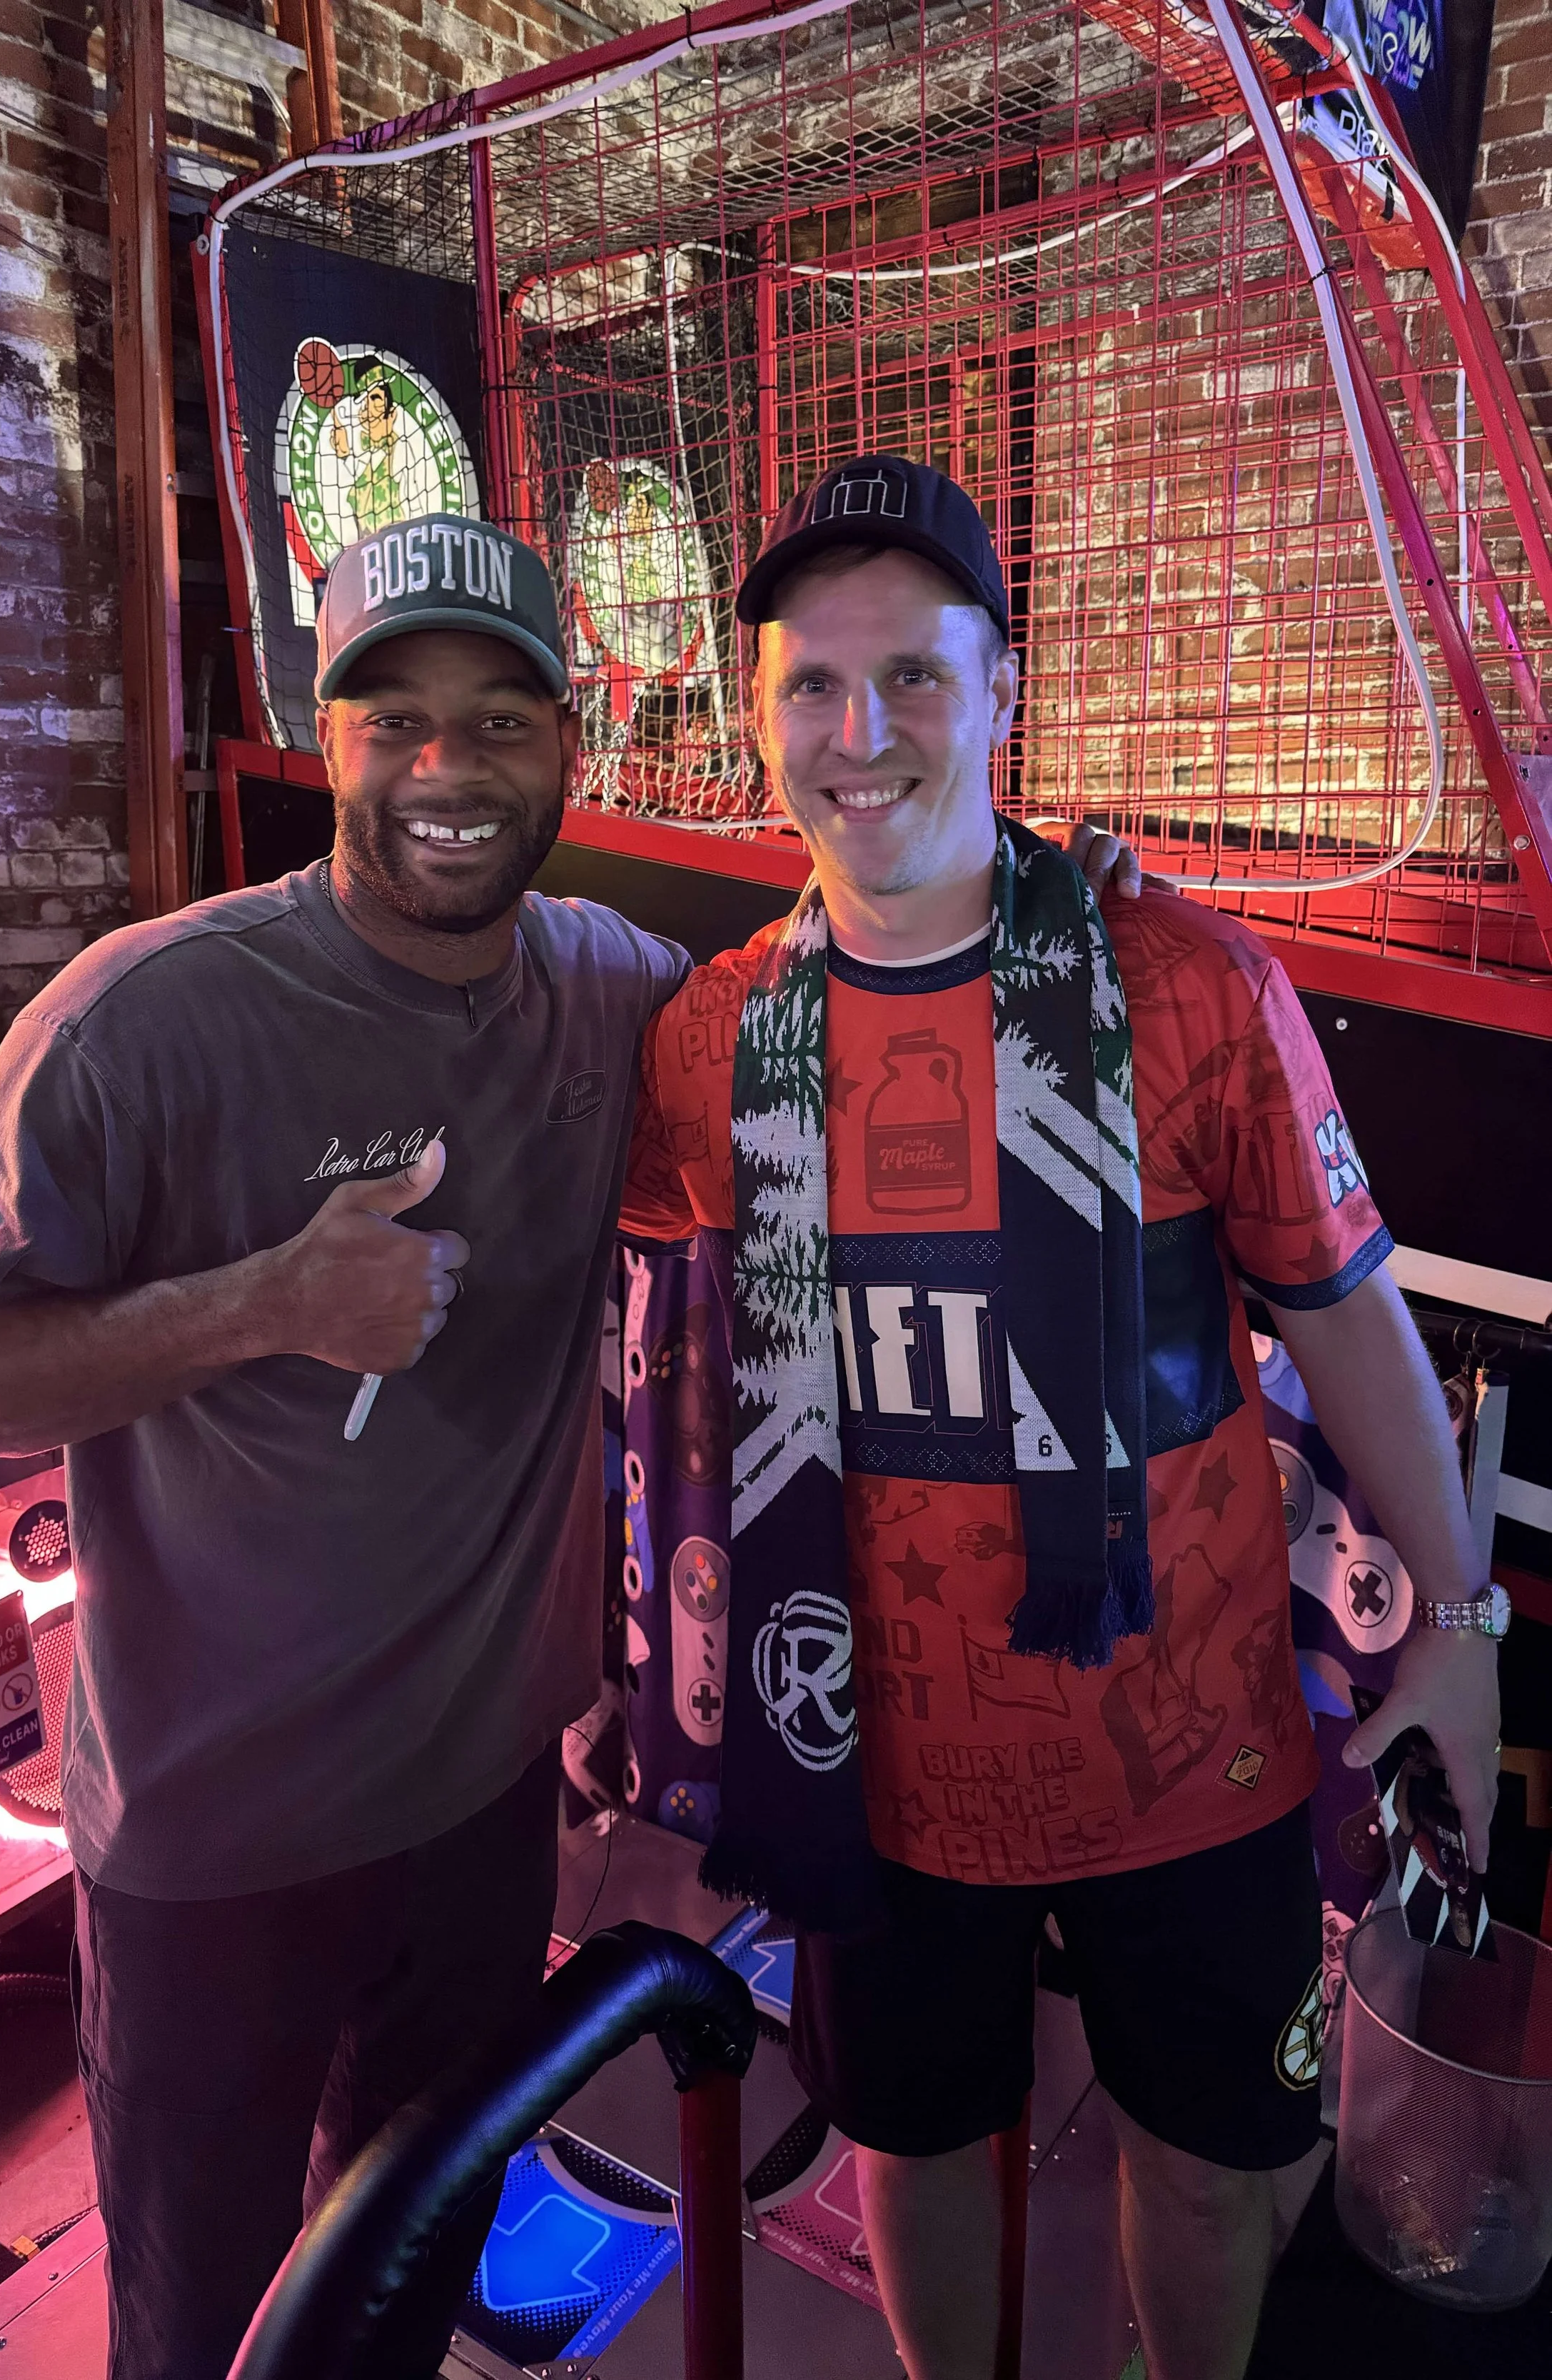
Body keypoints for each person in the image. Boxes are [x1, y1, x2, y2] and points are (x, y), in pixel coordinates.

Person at [620, 455, 1502, 2380]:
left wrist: (1458, 1619)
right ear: (756, 712)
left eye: (913, 677)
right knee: (911, 2143)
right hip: (863, 1751)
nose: (862, 735)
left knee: (1204, 2171)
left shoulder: (1184, 982)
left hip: (1187, 1758)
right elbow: (609, 1318)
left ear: (1003, 685)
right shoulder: (707, 1037)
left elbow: (1346, 1323)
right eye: (810, 685)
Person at [0, 513, 696, 2380]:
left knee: (395, 2284)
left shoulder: (614, 986)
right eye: (393, 718)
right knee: (208, 2332)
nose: (447, 769)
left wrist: (1058, 904)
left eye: (498, 717)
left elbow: (841, 999)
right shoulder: (150, 1017)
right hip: (213, 1857)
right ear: (324, 735)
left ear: (574, 740)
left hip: (480, 1817)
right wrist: (267, 1304)